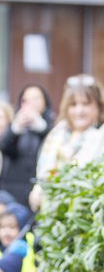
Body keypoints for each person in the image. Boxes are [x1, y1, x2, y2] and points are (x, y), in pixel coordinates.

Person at [29, 74, 104, 210]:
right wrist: (38, 189)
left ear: (98, 106)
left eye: (86, 104)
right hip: (52, 212)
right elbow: (44, 172)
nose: (79, 111)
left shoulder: (100, 136)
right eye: (73, 104)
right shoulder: (57, 134)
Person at [0, 84, 53, 207]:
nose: (31, 103)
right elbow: (3, 147)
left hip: (37, 191)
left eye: (36, 98)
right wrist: (15, 130)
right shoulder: (15, 126)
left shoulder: (51, 126)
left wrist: (41, 128)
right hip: (12, 190)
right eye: (26, 99)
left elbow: (53, 148)